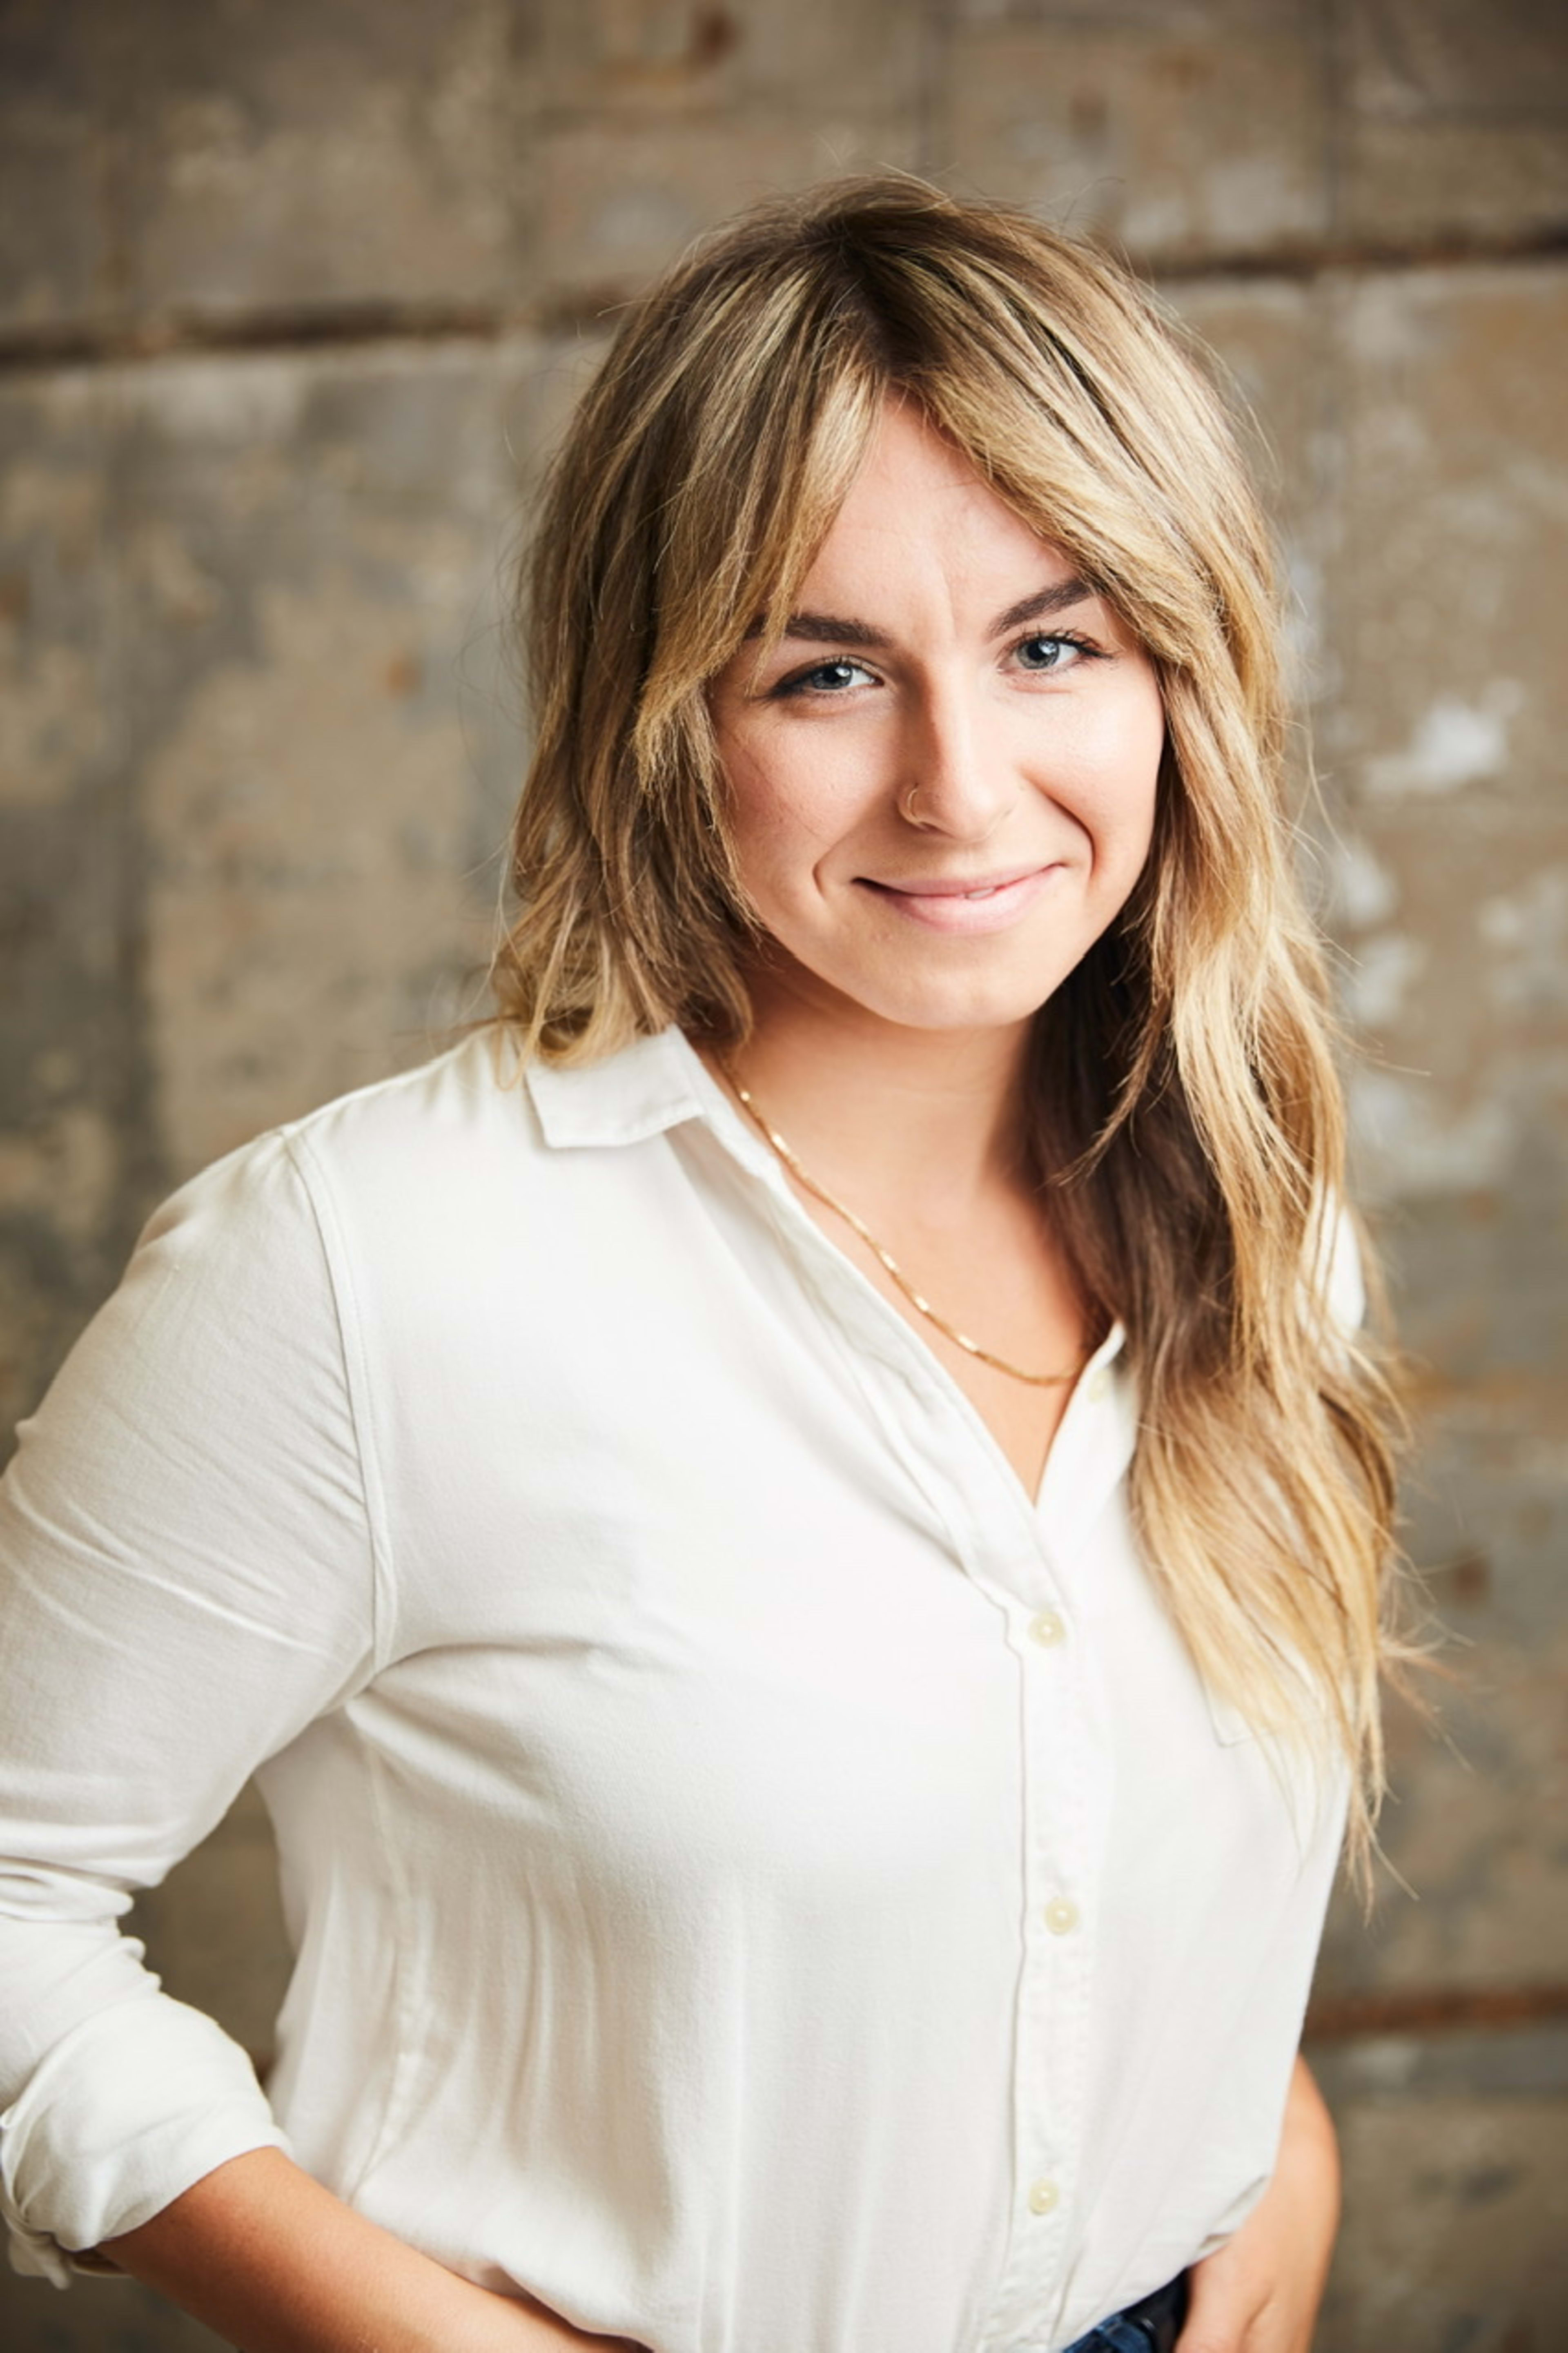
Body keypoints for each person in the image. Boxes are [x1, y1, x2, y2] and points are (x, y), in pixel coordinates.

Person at [0, 176, 1402, 2353]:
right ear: (669, 716)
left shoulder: (1247, 1199)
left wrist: (1259, 2112)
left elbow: (1059, 1821)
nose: (961, 786)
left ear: (1182, 669)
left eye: (1055, 642)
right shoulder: (365, 1275)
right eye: (828, 670)